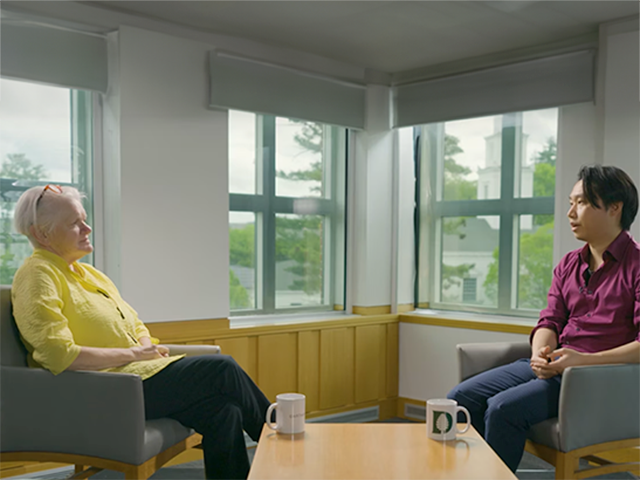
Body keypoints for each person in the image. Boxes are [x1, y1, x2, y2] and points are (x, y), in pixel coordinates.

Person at [11, 184, 271, 480]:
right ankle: (285, 442)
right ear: (41, 234)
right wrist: (136, 352)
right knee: (222, 369)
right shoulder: (37, 275)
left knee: (224, 411)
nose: (87, 228)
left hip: (137, 379)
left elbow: (134, 323)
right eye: (74, 223)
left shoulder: (89, 274)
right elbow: (58, 354)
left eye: (84, 219)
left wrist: (144, 346)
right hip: (101, 392)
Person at [447, 165, 640, 472]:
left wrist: (579, 361)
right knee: (460, 397)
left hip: (596, 380)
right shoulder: (569, 264)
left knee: (502, 409)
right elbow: (550, 320)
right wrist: (540, 354)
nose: (570, 212)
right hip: (554, 366)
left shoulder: (637, 266)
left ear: (614, 208)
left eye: (581, 203)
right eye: (570, 202)